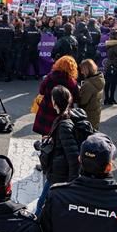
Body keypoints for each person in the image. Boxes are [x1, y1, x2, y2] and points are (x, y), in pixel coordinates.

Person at [35, 85, 82, 215]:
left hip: (59, 174)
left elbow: (73, 156)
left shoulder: (63, 124)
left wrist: (73, 184)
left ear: (55, 102)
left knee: (42, 205)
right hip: (58, 171)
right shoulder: (66, 116)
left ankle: (37, 231)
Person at [33, 55, 79, 136]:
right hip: (62, 112)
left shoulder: (50, 77)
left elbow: (41, 91)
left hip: (47, 110)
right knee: (59, 135)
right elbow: (76, 99)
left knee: (45, 135)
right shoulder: (72, 82)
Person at [77, 59, 104, 130]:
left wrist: (79, 91)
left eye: (82, 70)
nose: (81, 72)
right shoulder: (99, 79)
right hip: (96, 112)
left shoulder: (88, 84)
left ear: (87, 70)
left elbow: (82, 102)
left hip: (88, 115)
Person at [103, 30, 117, 105]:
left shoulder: (109, 44)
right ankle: (111, 98)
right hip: (114, 66)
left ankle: (106, 98)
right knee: (113, 84)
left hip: (108, 65)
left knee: (107, 83)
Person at [0, 14, 15, 82]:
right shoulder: (11, 27)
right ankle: (8, 77)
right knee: (8, 61)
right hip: (8, 47)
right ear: (8, 19)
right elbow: (13, 37)